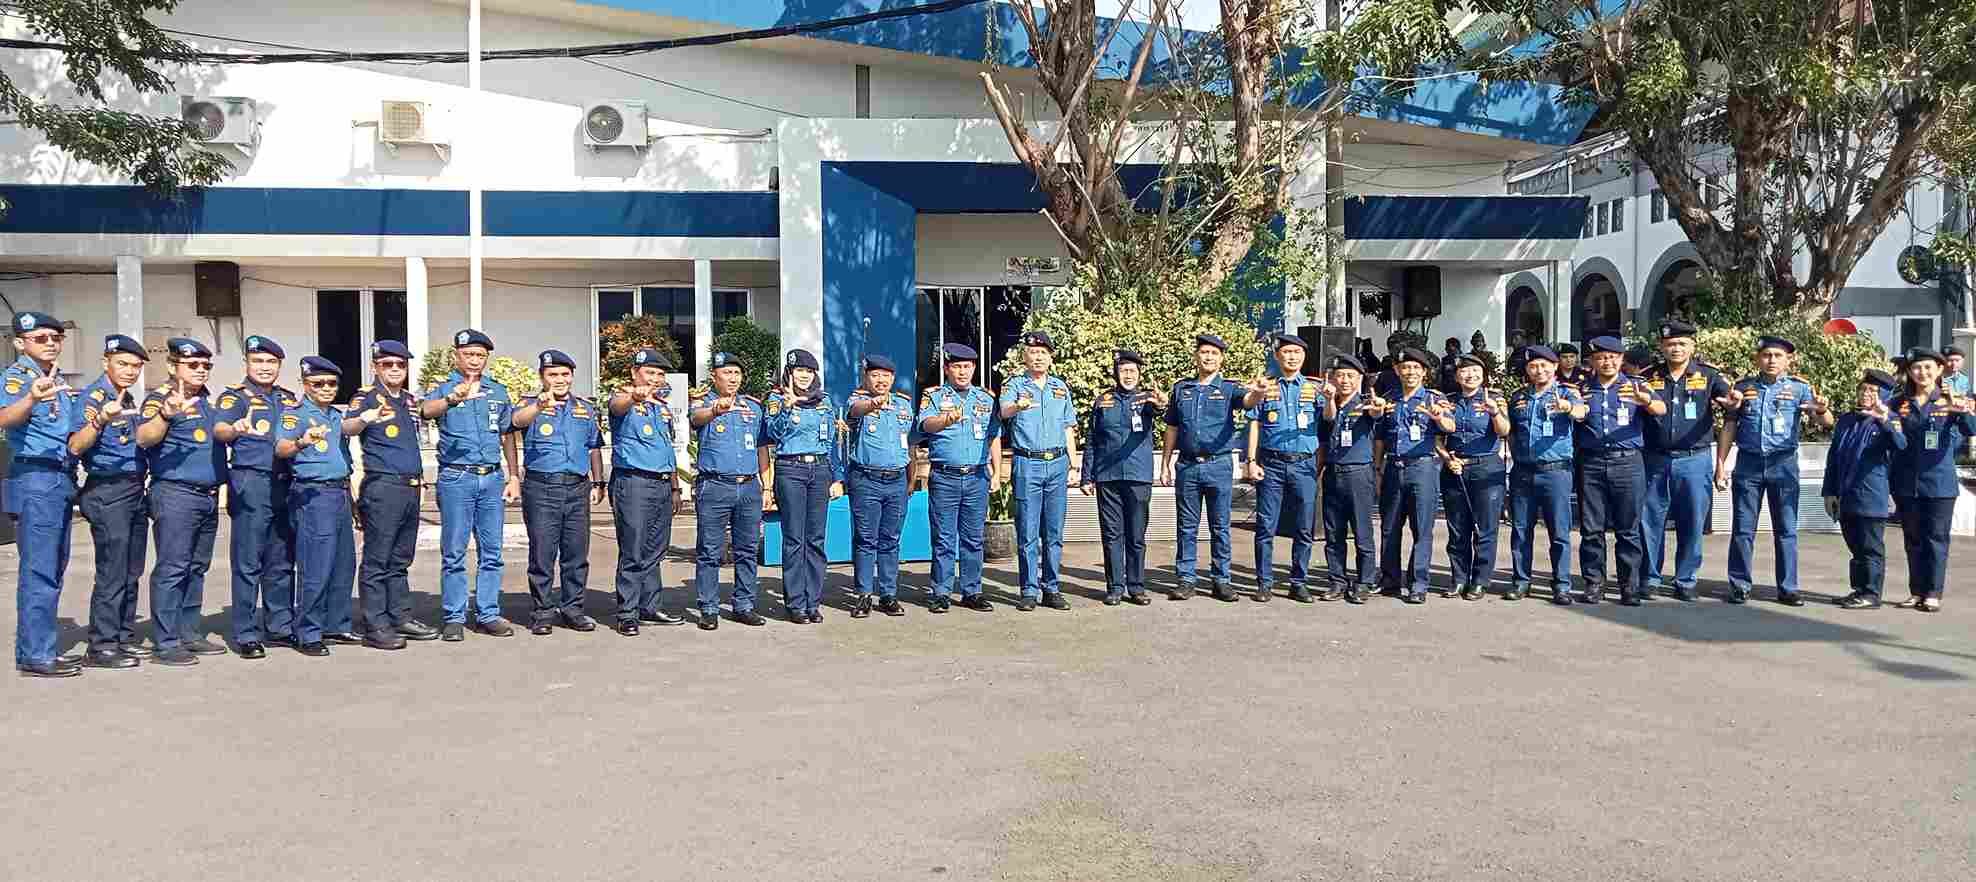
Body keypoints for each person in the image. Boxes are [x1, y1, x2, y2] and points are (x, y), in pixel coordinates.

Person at [274, 357, 388, 656]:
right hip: (313, 495)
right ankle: (308, 631)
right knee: (316, 565)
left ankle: (335, 624)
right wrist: (301, 442)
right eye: (318, 383)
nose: (326, 388)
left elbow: (347, 431)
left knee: (342, 563)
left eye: (332, 384)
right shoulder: (294, 414)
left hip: (338, 493)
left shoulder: (333, 416)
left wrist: (365, 418)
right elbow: (281, 447)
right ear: (305, 384)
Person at [1715, 335, 1834, 605]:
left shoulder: (1800, 388)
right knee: (1743, 528)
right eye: (1767, 355)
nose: (1771, 360)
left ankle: (1788, 587)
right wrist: (1721, 464)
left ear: (1788, 360)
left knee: (1786, 529)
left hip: (1783, 464)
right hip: (1749, 463)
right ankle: (1740, 584)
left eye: (1778, 356)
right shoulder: (1743, 387)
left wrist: (1822, 410)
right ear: (1758, 359)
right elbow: (1730, 425)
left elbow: (1826, 420)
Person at [134, 338, 230, 666]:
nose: (201, 370)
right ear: (174, 366)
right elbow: (144, 437)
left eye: (205, 365)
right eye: (193, 365)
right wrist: (165, 414)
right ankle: (166, 641)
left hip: (207, 497)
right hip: (176, 494)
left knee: (196, 568)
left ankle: (189, 632)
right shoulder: (161, 399)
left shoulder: (206, 401)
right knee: (172, 568)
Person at [420, 330, 520, 641]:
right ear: (456, 355)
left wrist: (514, 475)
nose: (474, 360)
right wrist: (453, 399)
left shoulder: (498, 392)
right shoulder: (443, 389)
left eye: (480, 355)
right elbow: (425, 412)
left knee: (492, 551)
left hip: (491, 478)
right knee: (454, 551)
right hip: (456, 478)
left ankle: (488, 613)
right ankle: (454, 616)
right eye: (468, 354)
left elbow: (507, 435)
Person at [214, 335, 309, 658]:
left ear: (279, 365)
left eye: (271, 362)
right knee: (248, 561)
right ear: (248, 364)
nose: (265, 367)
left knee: (282, 560)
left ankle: (280, 626)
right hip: (251, 483)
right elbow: (221, 430)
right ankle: (245, 633)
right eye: (258, 361)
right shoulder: (234, 398)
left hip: (285, 483)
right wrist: (236, 429)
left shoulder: (287, 398)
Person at [2, 311, 81, 677]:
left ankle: (37, 649)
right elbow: (3, 417)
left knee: (54, 567)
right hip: (35, 476)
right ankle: (37, 655)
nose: (50, 343)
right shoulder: (18, 378)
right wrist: (32, 400)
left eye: (56, 337)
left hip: (59, 477)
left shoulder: (55, 378)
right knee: (40, 571)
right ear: (20, 342)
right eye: (40, 338)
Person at [68, 335, 151, 669]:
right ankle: (101, 645)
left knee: (131, 570)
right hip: (108, 490)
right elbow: (76, 445)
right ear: (106, 363)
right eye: (123, 364)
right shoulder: (94, 398)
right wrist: (100, 419)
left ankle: (122, 637)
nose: (130, 371)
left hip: (133, 489)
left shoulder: (126, 396)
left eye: (135, 366)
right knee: (112, 571)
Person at [510, 349, 606, 635]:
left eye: (565, 374)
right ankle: (542, 612)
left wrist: (599, 482)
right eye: (553, 374)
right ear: (542, 377)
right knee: (542, 553)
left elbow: (594, 447)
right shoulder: (531, 404)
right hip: (542, 488)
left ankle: (573, 609)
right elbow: (516, 422)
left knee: (576, 554)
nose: (560, 379)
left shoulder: (585, 408)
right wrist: (539, 406)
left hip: (577, 487)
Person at [349, 340, 438, 649]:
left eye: (401, 365)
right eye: (388, 364)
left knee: (400, 558)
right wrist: (364, 419)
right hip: (383, 487)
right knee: (377, 559)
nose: (396, 370)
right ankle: (376, 624)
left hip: (411, 487)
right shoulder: (366, 398)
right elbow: (346, 428)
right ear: (376, 367)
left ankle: (399, 616)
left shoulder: (410, 401)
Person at [1639, 319, 1732, 602]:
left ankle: (1686, 579)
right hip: (1654, 459)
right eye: (1670, 344)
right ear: (1661, 347)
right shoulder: (1647, 377)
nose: (1676, 348)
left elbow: (1729, 403)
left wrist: (1733, 400)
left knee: (1691, 521)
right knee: (1650, 521)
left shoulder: (1709, 376)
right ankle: (1650, 577)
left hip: (1694, 460)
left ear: (1692, 346)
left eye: (1681, 343)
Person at [1574, 336, 1666, 605]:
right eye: (1601, 357)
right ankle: (1594, 584)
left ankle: (1629, 586)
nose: (1607, 362)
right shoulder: (1582, 389)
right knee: (1591, 529)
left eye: (1613, 357)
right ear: (1592, 361)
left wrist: (1645, 401)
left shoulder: (1636, 386)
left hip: (1628, 462)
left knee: (1628, 528)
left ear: (1621, 360)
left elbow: (1661, 408)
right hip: (1591, 462)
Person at [1888, 349, 1976, 612]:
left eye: (1928, 367)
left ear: (1939, 370)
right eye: (1916, 368)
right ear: (1910, 372)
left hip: (1939, 483)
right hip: (1906, 482)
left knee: (1936, 539)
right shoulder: (1899, 403)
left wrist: (1962, 411)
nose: (1922, 373)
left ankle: (1933, 592)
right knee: (1912, 539)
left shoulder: (1950, 399)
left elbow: (1971, 430)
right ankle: (1916, 591)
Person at [1158, 334, 1245, 601]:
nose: (1208, 357)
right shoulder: (1181, 389)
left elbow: (1249, 402)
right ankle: (1186, 579)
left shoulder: (1230, 388)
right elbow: (1172, 428)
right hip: (1187, 466)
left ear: (1221, 359)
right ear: (1196, 356)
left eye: (1214, 353)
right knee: (1187, 526)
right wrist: (1165, 464)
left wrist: (1258, 392)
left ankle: (1221, 579)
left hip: (1218, 464)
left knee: (1220, 526)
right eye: (1204, 352)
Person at [605, 347, 685, 635]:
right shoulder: (623, 398)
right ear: (634, 373)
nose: (655, 378)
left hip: (662, 483)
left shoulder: (661, 407)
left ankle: (649, 607)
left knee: (656, 548)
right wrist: (634, 395)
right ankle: (627, 612)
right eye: (650, 372)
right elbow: (617, 407)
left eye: (660, 374)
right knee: (634, 548)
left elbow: (667, 448)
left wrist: (675, 486)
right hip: (634, 482)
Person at [1000, 330, 1080, 611]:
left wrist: (1074, 464)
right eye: (1033, 353)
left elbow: (1068, 427)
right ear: (1026, 356)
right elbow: (1003, 411)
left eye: (1043, 353)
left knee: (1054, 532)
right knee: (1028, 531)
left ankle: (1052, 588)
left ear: (1050, 357)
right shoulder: (1014, 385)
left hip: (1057, 465)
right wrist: (1016, 406)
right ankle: (1029, 590)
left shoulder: (1060, 387)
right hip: (1027, 463)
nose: (1038, 357)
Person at [918, 343, 1002, 612]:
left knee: (973, 538)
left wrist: (997, 472)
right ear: (946, 369)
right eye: (956, 366)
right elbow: (924, 426)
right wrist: (945, 420)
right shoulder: (933, 396)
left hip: (977, 476)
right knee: (943, 538)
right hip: (945, 477)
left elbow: (994, 437)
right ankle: (941, 591)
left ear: (974, 368)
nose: (962, 372)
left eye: (967, 367)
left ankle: (971, 590)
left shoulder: (986, 398)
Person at [763, 348, 842, 624]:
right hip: (791, 469)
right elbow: (772, 434)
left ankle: (813, 601)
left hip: (819, 470)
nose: (804, 376)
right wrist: (787, 407)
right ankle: (796, 602)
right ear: (789, 373)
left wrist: (837, 477)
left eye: (809, 371)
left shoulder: (825, 401)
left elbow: (832, 441)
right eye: (799, 371)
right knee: (795, 538)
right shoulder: (776, 399)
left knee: (816, 539)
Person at [1243, 333, 1324, 603]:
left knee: (1304, 527)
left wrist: (1332, 399)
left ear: (1304, 357)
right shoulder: (1266, 387)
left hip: (1304, 464)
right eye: (1286, 352)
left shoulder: (1315, 388)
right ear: (1277, 356)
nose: (1292, 356)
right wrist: (1251, 461)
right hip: (1272, 464)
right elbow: (1254, 423)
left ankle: (1298, 582)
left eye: (1297, 353)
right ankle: (1264, 583)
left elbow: (1329, 419)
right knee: (1266, 526)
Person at [1081, 350, 1166, 605]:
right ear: (1116, 373)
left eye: (1132, 371)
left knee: (1136, 535)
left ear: (1139, 374)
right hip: (1108, 477)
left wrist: (1161, 404)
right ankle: (1115, 587)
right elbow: (1092, 441)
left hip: (1138, 476)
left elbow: (1159, 410)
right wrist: (1087, 476)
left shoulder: (1147, 399)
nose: (1128, 375)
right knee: (1111, 534)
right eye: (1123, 370)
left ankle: (1136, 587)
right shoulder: (1103, 401)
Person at [691, 352, 767, 629]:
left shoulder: (753, 407)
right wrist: (715, 410)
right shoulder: (703, 403)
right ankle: (709, 608)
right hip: (715, 486)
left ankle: (744, 605)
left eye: (737, 373)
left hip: (748, 487)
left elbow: (761, 448)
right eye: (727, 373)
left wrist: (766, 484)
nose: (733, 378)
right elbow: (696, 419)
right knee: (710, 551)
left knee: (747, 549)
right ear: (715, 376)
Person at [1373, 347, 1456, 603]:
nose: (1410, 372)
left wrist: (1440, 419)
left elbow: (1450, 426)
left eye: (1415, 368)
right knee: (1389, 527)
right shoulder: (1389, 398)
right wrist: (1377, 469)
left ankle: (1419, 583)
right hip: (1393, 467)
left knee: (1422, 528)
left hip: (1423, 468)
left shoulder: (1434, 398)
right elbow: (1380, 438)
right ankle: (1390, 579)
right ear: (1397, 371)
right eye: (1405, 368)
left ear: (1424, 372)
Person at [1505, 345, 1587, 603]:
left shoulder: (1567, 392)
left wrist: (1567, 408)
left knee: (1559, 532)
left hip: (1556, 472)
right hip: (1522, 472)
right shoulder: (1518, 397)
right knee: (1520, 529)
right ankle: (1521, 581)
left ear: (1554, 367)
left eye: (1543, 365)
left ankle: (1561, 584)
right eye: (1532, 366)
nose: (1538, 370)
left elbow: (1582, 413)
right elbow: (1510, 430)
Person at [1824, 370, 1905, 610]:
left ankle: (1871, 593)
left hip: (1871, 495)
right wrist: (1829, 492)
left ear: (1884, 395)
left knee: (1870, 547)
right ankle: (1858, 589)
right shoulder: (1848, 419)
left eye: (1872, 390)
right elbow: (1833, 458)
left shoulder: (1889, 419)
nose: (1866, 394)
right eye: (1863, 389)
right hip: (1846, 494)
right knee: (1855, 547)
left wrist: (1884, 420)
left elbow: (1901, 444)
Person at [844, 353, 914, 618]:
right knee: (865, 539)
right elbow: (854, 412)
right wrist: (873, 403)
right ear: (866, 378)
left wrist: (910, 479)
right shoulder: (858, 400)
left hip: (896, 480)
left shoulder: (904, 405)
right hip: (866, 480)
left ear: (892, 378)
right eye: (875, 375)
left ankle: (888, 594)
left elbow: (910, 443)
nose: (881, 380)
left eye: (885, 376)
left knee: (891, 539)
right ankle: (863, 595)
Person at [1436, 353, 1509, 601]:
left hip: (1487, 468)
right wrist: (1447, 459)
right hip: (1455, 469)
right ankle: (1458, 579)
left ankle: (1480, 580)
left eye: (1476, 370)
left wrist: (1494, 413)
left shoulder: (1495, 398)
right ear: (1457, 376)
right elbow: (1437, 437)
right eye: (1465, 371)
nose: (1470, 375)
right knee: (1458, 528)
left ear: (1483, 374)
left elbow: (1504, 431)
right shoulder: (1448, 401)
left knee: (1485, 528)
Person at [1317, 354, 1381, 604]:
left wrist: (1377, 409)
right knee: (1334, 533)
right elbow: (1328, 422)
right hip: (1333, 473)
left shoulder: (1366, 404)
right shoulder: (1327, 403)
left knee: (1362, 532)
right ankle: (1337, 580)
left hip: (1358, 474)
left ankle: (1365, 581)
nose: (1345, 380)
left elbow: (1376, 414)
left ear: (1360, 379)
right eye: (1340, 376)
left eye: (1351, 376)